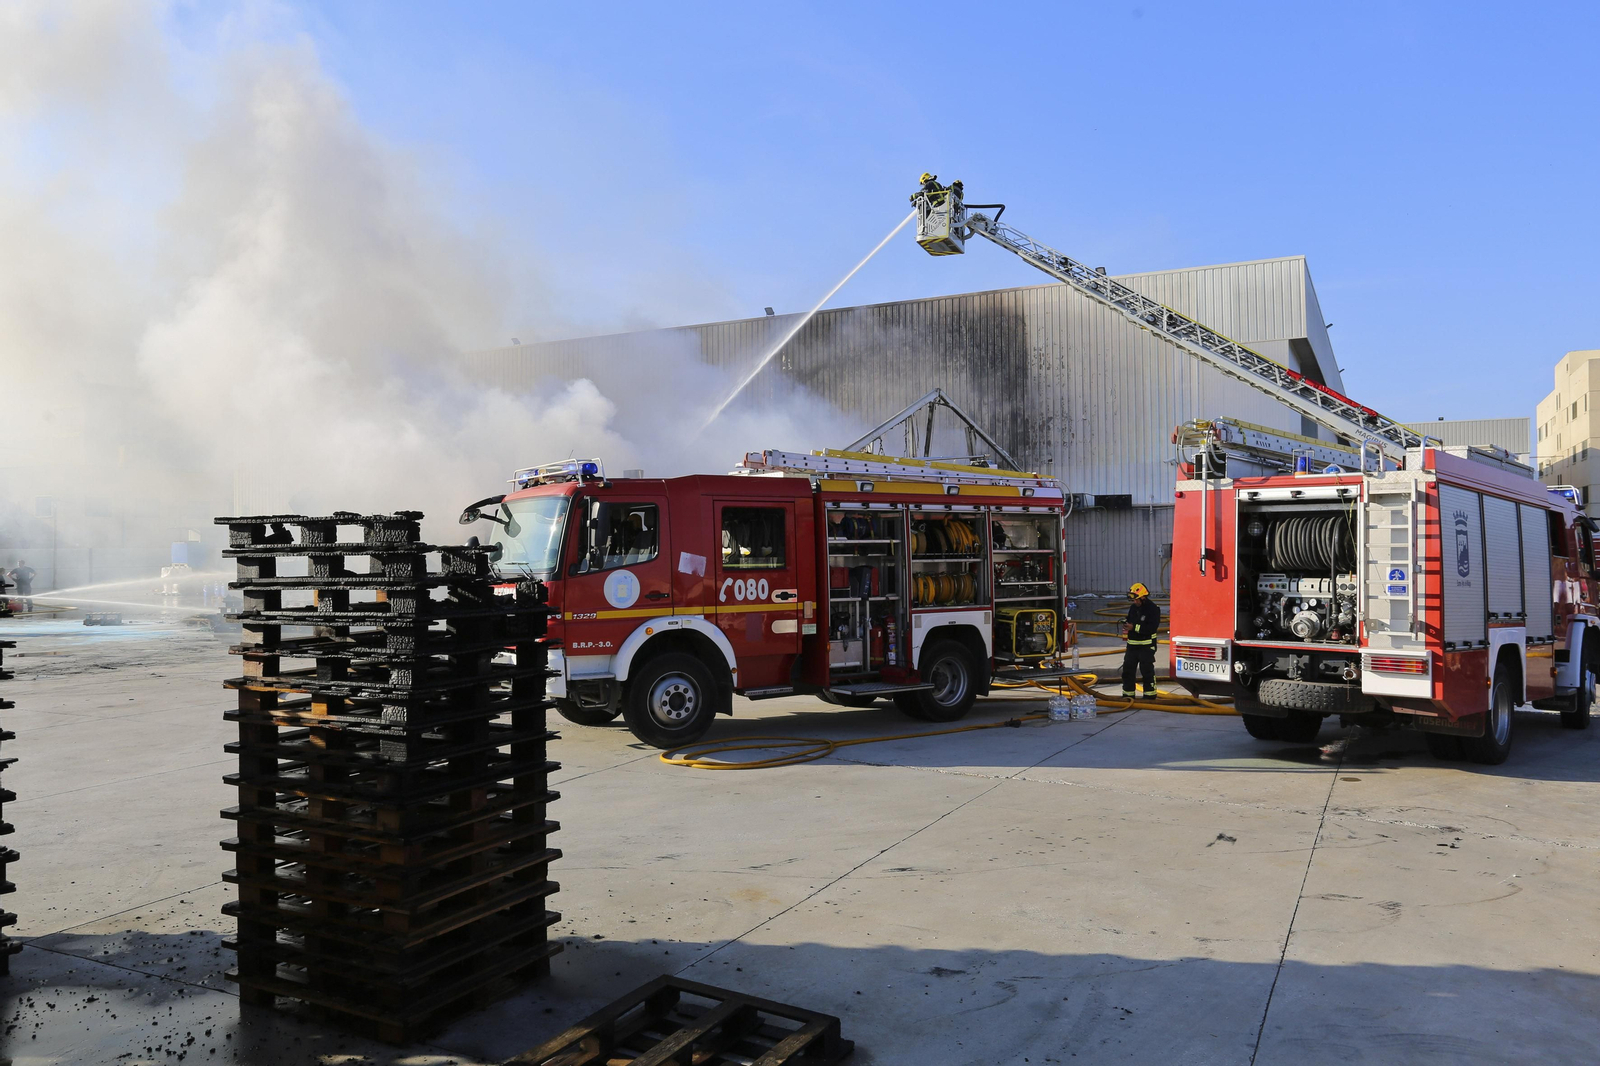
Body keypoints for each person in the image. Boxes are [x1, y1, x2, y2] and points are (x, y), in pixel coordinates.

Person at [1120, 581, 1160, 699]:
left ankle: (1150, 695)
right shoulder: (1133, 608)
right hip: (1132, 646)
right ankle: (1128, 695)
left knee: (1147, 671)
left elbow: (1152, 628)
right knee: (1127, 671)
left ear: (1143, 597)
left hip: (1146, 646)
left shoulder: (1153, 609)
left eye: (1137, 599)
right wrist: (1126, 625)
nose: (1135, 602)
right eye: (1133, 600)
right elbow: (1131, 620)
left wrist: (1134, 627)